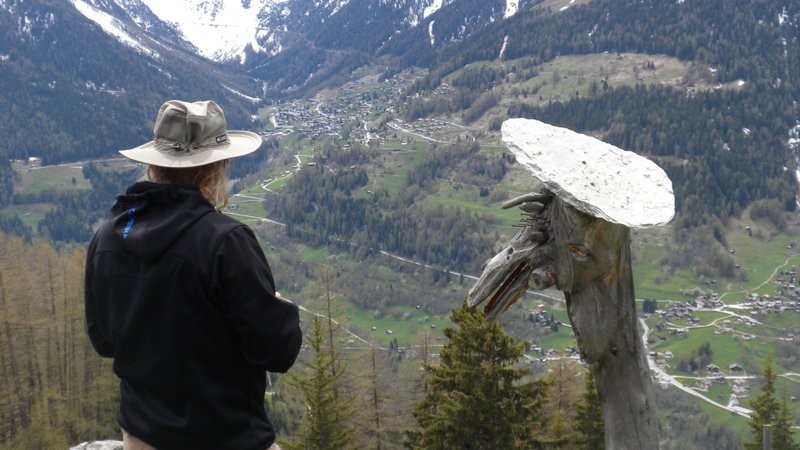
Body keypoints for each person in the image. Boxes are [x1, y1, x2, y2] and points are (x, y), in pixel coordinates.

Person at [85, 100, 302, 450]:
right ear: (216, 167)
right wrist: (278, 310)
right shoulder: (225, 242)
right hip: (227, 439)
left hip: (142, 437)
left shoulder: (107, 237)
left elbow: (104, 341)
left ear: (155, 164)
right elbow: (276, 351)